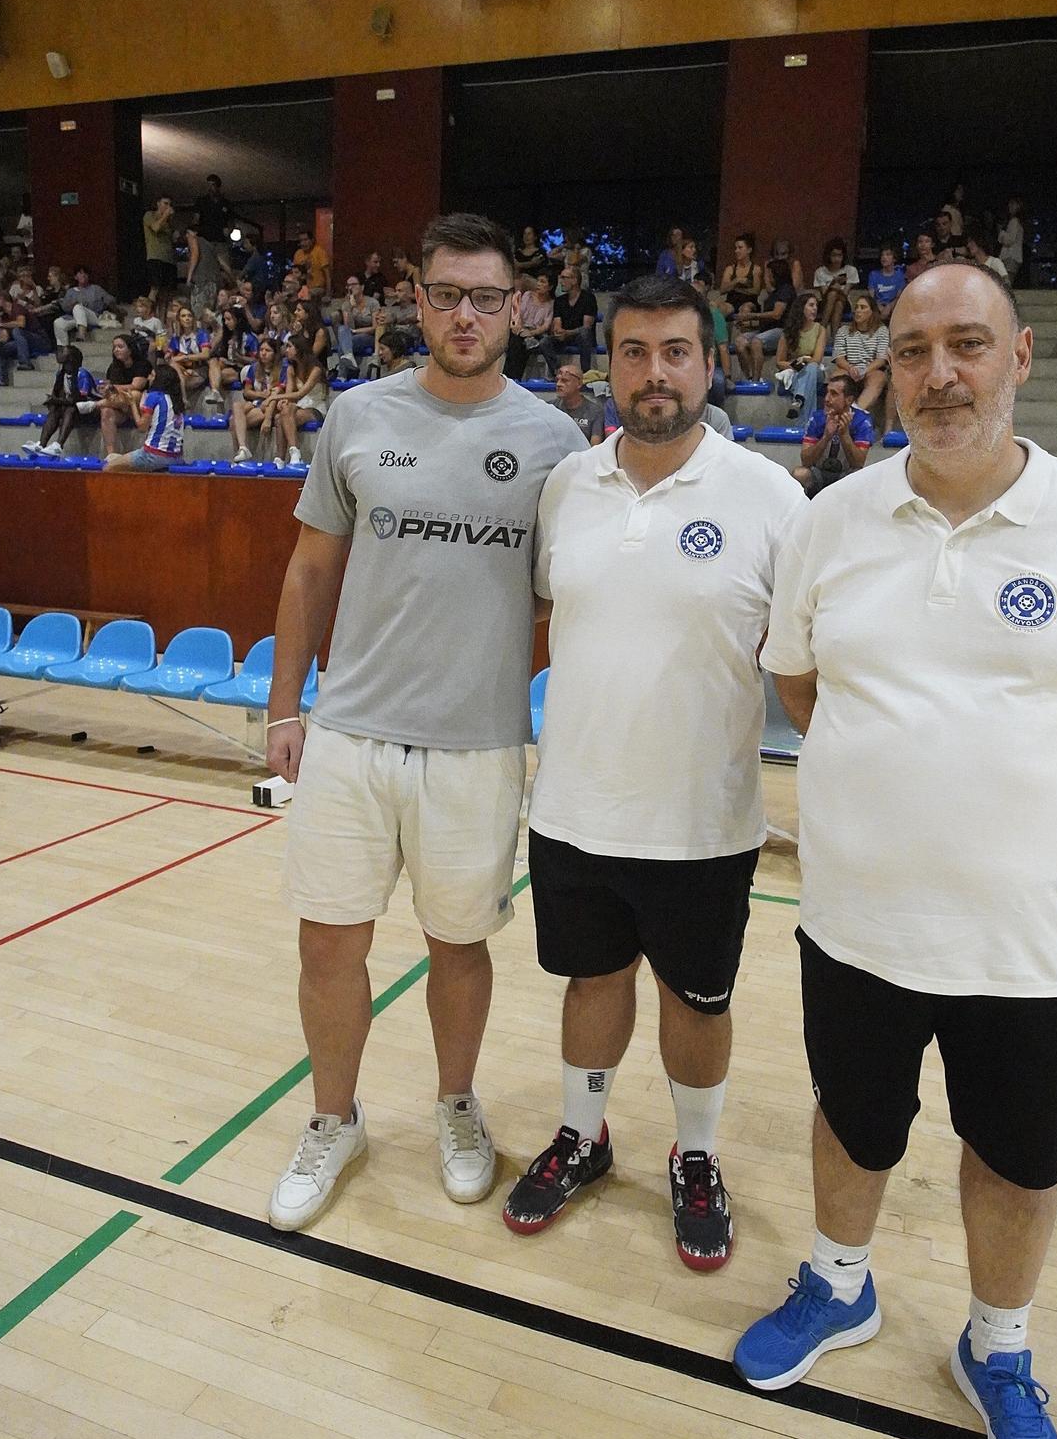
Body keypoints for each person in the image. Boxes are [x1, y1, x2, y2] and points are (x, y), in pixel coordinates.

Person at [733, 260, 1057, 1439]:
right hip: (854, 922)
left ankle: (997, 1347)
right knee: (852, 1118)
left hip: (1029, 942)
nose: (939, 374)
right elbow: (799, 684)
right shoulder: (827, 522)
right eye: (911, 349)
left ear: (1015, 360)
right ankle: (840, 1281)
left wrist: (1043, 797)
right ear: (884, 367)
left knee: (1016, 1156)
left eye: (966, 345)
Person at [263, 213, 587, 1233]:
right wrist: (283, 706)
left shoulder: (554, 440)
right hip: (351, 733)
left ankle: (456, 1104)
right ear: (417, 300)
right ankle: (332, 1119)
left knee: (457, 944)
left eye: (486, 296)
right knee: (328, 944)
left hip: (478, 745)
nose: (465, 313)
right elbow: (310, 567)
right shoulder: (357, 416)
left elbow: (557, 598)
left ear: (516, 309)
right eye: (446, 293)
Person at [503, 273, 804, 1266]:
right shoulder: (566, 486)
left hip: (704, 818)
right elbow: (555, 610)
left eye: (675, 350)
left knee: (696, 997)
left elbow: (807, 655)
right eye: (634, 351)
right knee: (592, 980)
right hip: (576, 804)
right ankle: (582, 1138)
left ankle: (698, 1154)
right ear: (608, 366)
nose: (654, 371)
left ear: (709, 363)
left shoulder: (769, 497)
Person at [794, 374, 874, 493]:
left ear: (849, 400)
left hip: (845, 475)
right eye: (827, 392)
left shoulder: (862, 421)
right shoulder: (817, 418)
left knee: (862, 478)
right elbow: (806, 461)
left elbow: (858, 463)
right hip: (818, 473)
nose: (826, 398)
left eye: (834, 394)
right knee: (800, 473)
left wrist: (845, 435)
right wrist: (826, 437)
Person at [103, 362, 186, 472]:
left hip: (154, 455)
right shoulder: (177, 401)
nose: (148, 378)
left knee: (108, 468)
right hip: (176, 457)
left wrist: (132, 403)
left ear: (158, 379)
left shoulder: (154, 396)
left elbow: (142, 427)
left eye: (152, 375)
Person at [23, 346, 99, 457]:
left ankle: (58, 446)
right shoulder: (61, 374)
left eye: (63, 351)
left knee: (71, 408)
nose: (58, 353)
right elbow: (59, 396)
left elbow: (80, 399)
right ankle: (41, 444)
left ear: (71, 358)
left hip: (91, 408)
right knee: (55, 410)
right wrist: (52, 402)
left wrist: (58, 400)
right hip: (75, 408)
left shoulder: (82, 374)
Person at [829, 289, 890, 420]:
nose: (858, 311)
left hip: (870, 369)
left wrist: (864, 370)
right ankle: (832, 414)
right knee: (836, 376)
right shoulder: (844, 330)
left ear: (871, 312)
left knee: (879, 376)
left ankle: (855, 412)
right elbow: (839, 358)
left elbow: (881, 359)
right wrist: (851, 368)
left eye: (863, 307)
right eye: (856, 307)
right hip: (848, 368)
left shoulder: (881, 330)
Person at [274, 332, 329, 469]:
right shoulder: (291, 369)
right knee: (280, 416)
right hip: (298, 408)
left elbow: (299, 394)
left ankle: (293, 453)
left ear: (299, 349)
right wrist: (283, 401)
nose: (286, 350)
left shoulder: (315, 369)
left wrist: (274, 397)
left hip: (316, 408)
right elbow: (289, 394)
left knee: (283, 416)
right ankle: (281, 458)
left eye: (289, 347)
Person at [229, 335, 284, 463]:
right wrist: (261, 395)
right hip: (257, 402)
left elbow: (277, 393)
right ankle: (242, 449)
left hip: (271, 406)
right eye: (261, 350)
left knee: (234, 422)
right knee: (237, 406)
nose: (263, 353)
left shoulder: (283, 369)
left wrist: (267, 413)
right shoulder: (254, 368)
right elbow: (247, 392)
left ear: (275, 354)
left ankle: (240, 453)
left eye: (268, 350)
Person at [775, 290, 827, 423]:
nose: (814, 309)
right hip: (795, 370)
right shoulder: (788, 332)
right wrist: (796, 364)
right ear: (801, 308)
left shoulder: (820, 329)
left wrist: (804, 360)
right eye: (811, 305)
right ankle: (806, 420)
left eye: (816, 305)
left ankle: (798, 399)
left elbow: (817, 359)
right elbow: (779, 362)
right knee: (805, 373)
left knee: (811, 368)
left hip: (815, 370)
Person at [98, 333, 149, 456]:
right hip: (120, 405)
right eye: (114, 347)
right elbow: (111, 389)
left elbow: (137, 386)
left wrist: (113, 387)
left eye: (120, 347)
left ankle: (94, 404)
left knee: (135, 394)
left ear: (130, 349)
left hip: (138, 407)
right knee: (106, 411)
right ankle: (111, 454)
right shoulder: (113, 367)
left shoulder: (142, 364)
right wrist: (106, 390)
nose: (116, 350)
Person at [52, 266, 117, 351]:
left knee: (78, 307)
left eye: (85, 273)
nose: (83, 275)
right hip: (75, 317)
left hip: (93, 316)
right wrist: (71, 305)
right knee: (58, 323)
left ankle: (81, 335)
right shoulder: (71, 291)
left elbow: (110, 299)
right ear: (76, 277)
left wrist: (106, 303)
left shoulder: (95, 289)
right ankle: (64, 349)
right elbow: (65, 307)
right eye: (80, 273)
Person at [551, 263, 598, 372]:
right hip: (565, 337)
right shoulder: (559, 300)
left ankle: (586, 372)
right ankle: (557, 372)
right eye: (560, 277)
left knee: (585, 334)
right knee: (545, 342)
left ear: (575, 280)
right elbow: (557, 323)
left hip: (580, 336)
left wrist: (567, 332)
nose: (561, 281)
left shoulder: (588, 298)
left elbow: (587, 326)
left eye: (564, 278)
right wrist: (558, 332)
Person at [512, 269, 557, 378]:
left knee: (521, 344)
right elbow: (519, 314)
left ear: (550, 287)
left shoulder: (551, 304)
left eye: (542, 282)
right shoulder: (527, 295)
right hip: (521, 329)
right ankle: (512, 376)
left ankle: (517, 377)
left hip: (536, 333)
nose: (538, 284)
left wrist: (531, 333)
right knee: (515, 341)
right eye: (538, 281)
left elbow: (546, 326)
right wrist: (521, 329)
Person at [812, 239, 861, 331]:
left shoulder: (851, 270)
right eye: (834, 255)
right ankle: (835, 339)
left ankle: (822, 329)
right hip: (825, 303)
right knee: (835, 298)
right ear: (828, 255)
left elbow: (845, 293)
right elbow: (823, 293)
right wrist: (832, 284)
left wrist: (838, 289)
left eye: (839, 255)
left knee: (837, 297)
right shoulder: (820, 272)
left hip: (844, 301)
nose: (837, 259)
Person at [142, 195, 178, 319]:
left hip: (169, 259)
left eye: (169, 204)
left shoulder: (169, 223)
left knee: (166, 294)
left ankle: (161, 321)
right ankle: (147, 317)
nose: (168, 207)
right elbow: (155, 228)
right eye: (165, 203)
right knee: (155, 288)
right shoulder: (149, 215)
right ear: (158, 203)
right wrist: (165, 215)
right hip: (155, 256)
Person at [551, 358, 604, 443]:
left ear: (579, 384)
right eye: (557, 380)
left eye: (565, 381)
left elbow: (595, 446)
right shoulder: (549, 408)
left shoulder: (595, 411)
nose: (558, 384)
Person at [193, 173, 234, 251]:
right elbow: (196, 218)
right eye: (208, 185)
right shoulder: (201, 201)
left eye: (212, 185)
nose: (210, 188)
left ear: (217, 186)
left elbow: (231, 219)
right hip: (205, 239)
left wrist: (229, 229)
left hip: (221, 239)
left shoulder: (225, 203)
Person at [867, 242, 907, 311]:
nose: (884, 257)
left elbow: (899, 297)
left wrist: (889, 308)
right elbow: (871, 296)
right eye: (882, 255)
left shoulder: (900, 275)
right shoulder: (873, 275)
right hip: (877, 308)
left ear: (894, 258)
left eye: (888, 254)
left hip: (894, 309)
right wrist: (879, 308)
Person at [292, 229, 329, 296]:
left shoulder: (319, 252)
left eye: (305, 240)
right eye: (301, 241)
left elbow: (327, 275)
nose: (303, 243)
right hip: (301, 288)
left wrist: (328, 294)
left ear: (312, 240)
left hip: (317, 288)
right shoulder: (298, 254)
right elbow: (294, 274)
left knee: (306, 295)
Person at [998, 200, 1026, 286]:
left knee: (1006, 285)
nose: (1010, 206)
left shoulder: (1014, 221)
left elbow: (1009, 240)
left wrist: (1001, 233)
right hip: (1014, 257)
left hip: (1010, 257)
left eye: (1013, 204)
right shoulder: (1018, 222)